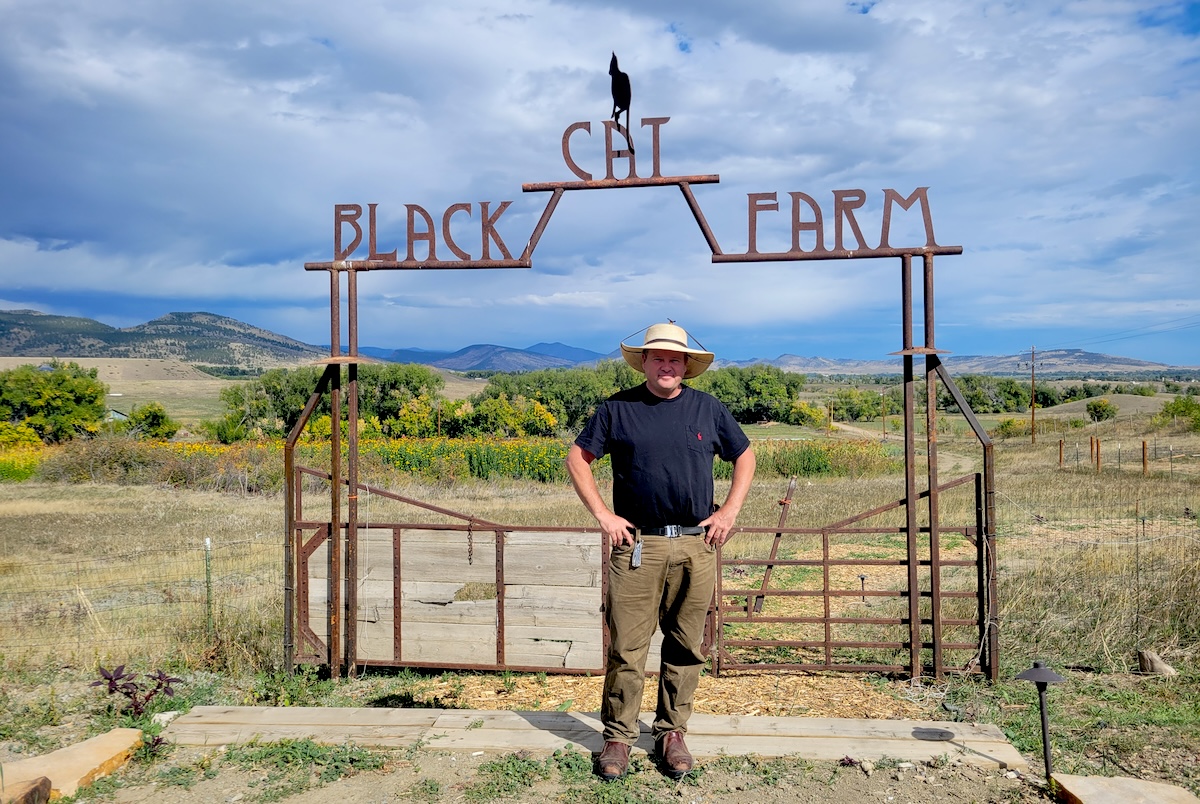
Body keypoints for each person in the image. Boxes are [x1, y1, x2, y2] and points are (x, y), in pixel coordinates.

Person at [566, 321, 756, 781]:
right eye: (658, 358)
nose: (667, 365)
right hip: (638, 545)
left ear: (686, 365)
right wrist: (604, 516)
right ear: (644, 362)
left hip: (696, 543)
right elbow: (577, 458)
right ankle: (618, 737)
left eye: (675, 359)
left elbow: (745, 456)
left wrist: (729, 511)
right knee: (628, 646)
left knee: (687, 645)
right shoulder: (617, 409)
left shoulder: (708, 409)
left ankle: (672, 732)